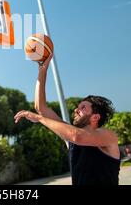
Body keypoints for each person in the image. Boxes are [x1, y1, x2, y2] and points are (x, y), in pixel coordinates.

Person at [14, 54, 121, 185]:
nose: (76, 110)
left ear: (95, 117)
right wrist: (42, 70)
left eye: (83, 107)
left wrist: (40, 118)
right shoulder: (72, 138)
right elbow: (40, 107)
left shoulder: (108, 136)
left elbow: (77, 136)